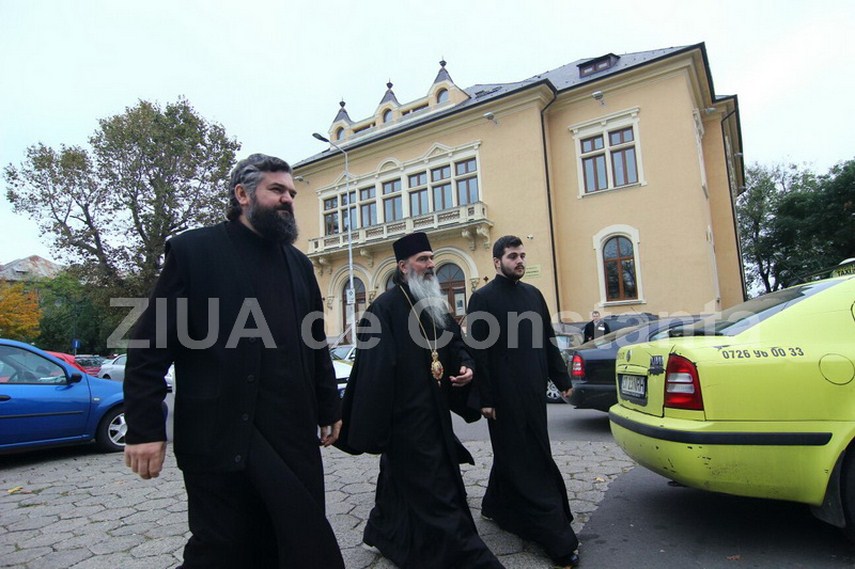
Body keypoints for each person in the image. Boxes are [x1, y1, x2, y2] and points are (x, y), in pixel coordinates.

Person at [122, 153, 345, 569]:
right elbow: (149, 345)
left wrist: (329, 404)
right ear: (242, 194)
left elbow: (315, 344)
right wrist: (143, 428)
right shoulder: (193, 251)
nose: (288, 199)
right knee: (224, 547)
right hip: (220, 433)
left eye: (292, 192)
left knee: (300, 539)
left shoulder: (298, 263)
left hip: (290, 434)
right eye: (276, 190)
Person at [338, 231, 504, 569]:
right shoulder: (382, 309)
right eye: (423, 260)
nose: (431, 265)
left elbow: (457, 345)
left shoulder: (435, 304)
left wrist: (467, 368)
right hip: (406, 422)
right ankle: (469, 558)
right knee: (437, 493)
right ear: (403, 266)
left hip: (436, 415)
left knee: (399, 486)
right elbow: (373, 371)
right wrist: (379, 422)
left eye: (431, 259)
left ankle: (386, 533)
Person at [466, 235, 580, 569]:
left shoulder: (534, 295)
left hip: (533, 394)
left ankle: (496, 505)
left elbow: (548, 340)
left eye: (522, 255)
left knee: (519, 453)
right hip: (502, 398)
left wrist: (562, 381)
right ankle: (553, 534)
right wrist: (484, 398)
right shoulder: (482, 299)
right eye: (513, 256)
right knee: (526, 459)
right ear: (496, 261)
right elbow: (478, 352)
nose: (519, 260)